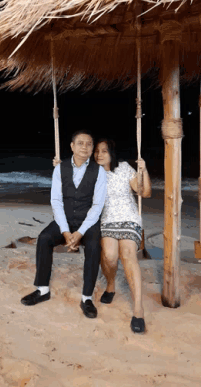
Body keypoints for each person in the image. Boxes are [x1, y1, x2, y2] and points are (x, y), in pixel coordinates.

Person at [21, 130, 107, 319]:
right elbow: (56, 201)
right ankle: (42, 290)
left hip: (88, 221)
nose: (85, 147)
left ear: (92, 148)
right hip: (65, 219)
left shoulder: (98, 171)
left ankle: (87, 298)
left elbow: (97, 205)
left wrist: (81, 232)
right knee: (44, 238)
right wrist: (66, 231)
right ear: (72, 146)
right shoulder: (59, 169)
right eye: (81, 143)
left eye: (89, 143)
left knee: (93, 246)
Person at [94, 139, 151, 333]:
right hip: (108, 220)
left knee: (127, 254)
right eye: (97, 151)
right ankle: (110, 285)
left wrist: (143, 171)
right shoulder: (94, 174)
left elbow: (145, 192)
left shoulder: (125, 168)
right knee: (109, 255)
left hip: (129, 218)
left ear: (112, 153)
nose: (99, 154)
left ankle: (138, 309)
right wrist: (60, 169)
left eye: (104, 151)